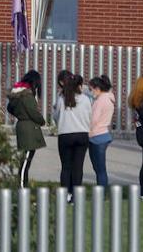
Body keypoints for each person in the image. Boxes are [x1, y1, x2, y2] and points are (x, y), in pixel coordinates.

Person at [52, 71, 91, 201]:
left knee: (66, 167)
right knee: (78, 167)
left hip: (65, 134)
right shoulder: (85, 99)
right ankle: (76, 195)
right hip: (82, 134)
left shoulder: (61, 99)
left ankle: (65, 194)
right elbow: (89, 116)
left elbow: (55, 116)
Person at [7, 70, 45, 188]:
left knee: (26, 158)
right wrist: (42, 121)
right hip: (29, 128)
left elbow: (9, 108)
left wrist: (19, 114)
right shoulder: (27, 95)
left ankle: (23, 183)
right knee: (26, 160)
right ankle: (22, 185)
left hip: (22, 125)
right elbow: (33, 112)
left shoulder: (17, 94)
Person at [87, 76, 115, 188]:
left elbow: (93, 119)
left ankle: (102, 190)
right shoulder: (108, 98)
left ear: (97, 88)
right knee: (100, 168)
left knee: (99, 168)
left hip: (96, 135)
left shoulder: (100, 101)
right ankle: (102, 189)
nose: (91, 92)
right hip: (104, 134)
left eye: (91, 89)